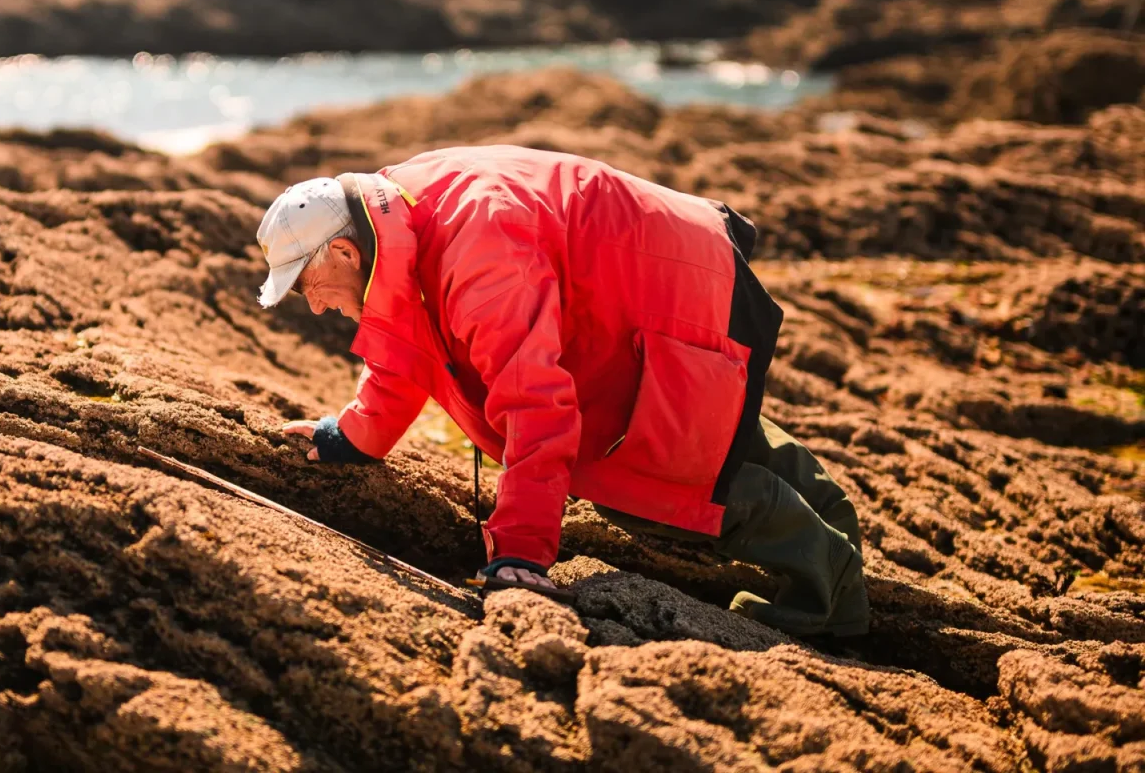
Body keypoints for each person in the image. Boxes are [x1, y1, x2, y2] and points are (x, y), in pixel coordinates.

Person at [256, 145, 868, 637]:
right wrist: (352, 438)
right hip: (651, 275)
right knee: (697, 426)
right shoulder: (398, 212)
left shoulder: (477, 255)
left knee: (651, 477)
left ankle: (826, 600)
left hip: (685, 290)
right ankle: (833, 525)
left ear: (341, 249)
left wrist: (520, 554)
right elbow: (407, 338)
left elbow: (534, 406)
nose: (312, 306)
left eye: (306, 283)